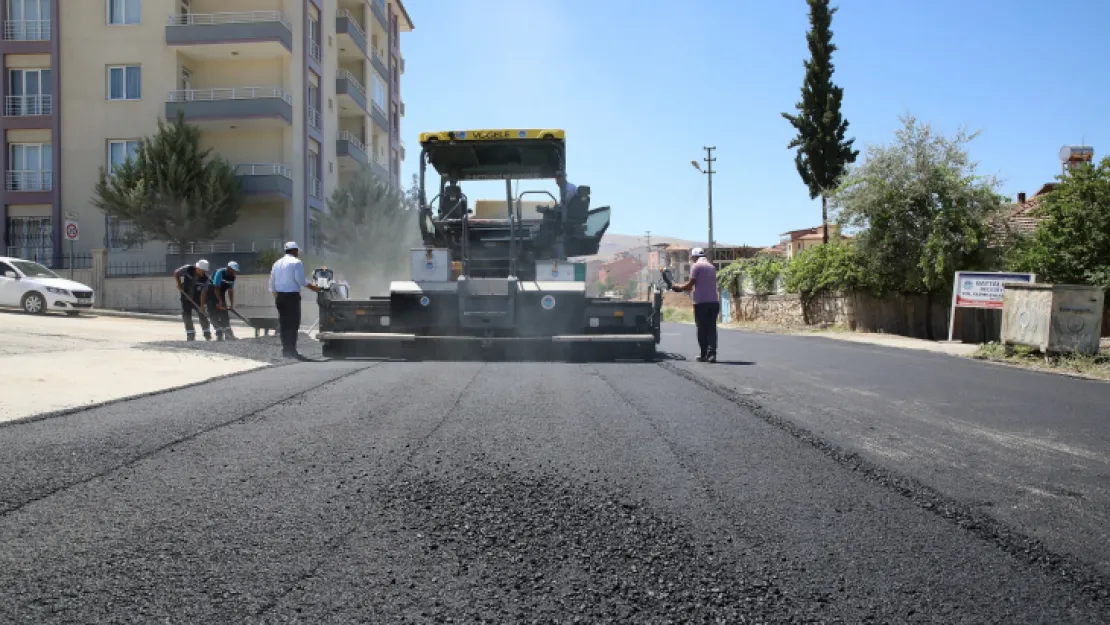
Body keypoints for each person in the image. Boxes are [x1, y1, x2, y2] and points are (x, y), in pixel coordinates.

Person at [268, 241, 320, 359]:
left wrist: (275, 293)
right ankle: (291, 351)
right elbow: (300, 280)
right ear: (294, 250)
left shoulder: (277, 263)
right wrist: (314, 288)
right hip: (291, 297)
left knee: (283, 324)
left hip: (280, 297)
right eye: (297, 251)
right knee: (293, 324)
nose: (298, 253)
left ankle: (285, 350)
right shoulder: (296, 262)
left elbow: (271, 280)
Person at [670, 247, 719, 362]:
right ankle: (712, 354)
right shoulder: (711, 267)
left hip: (701, 303)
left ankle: (703, 354)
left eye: (692, 257)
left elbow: (690, 284)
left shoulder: (696, 266)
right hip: (714, 302)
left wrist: (678, 287)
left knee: (701, 328)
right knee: (711, 327)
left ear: (695, 256)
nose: (692, 260)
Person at [173, 259, 211, 341]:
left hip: (197, 299)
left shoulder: (205, 279)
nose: (203, 272)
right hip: (185, 297)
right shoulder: (188, 268)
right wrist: (179, 284)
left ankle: (207, 334)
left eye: (205, 271)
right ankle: (190, 334)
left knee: (202, 315)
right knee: (186, 316)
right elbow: (176, 272)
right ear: (198, 268)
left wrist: (201, 306)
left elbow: (203, 293)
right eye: (202, 270)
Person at [206, 260, 239, 341]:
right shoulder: (220, 272)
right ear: (228, 268)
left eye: (235, 270)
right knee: (213, 314)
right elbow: (216, 288)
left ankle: (229, 335)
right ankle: (219, 334)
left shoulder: (233, 276)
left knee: (224, 314)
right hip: (211, 293)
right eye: (233, 270)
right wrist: (219, 301)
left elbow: (230, 290)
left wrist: (231, 304)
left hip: (221, 293)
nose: (234, 272)